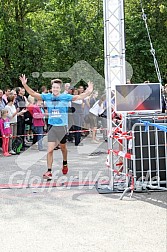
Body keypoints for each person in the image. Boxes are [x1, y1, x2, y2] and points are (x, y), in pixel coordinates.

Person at [19, 74, 93, 179]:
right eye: (54, 87)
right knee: (50, 150)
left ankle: (65, 162)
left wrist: (89, 91)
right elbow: (33, 93)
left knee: (63, 148)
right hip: (52, 126)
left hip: (62, 126)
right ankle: (49, 171)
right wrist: (24, 85)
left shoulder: (65, 96)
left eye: (57, 88)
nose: (55, 89)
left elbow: (79, 97)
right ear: (51, 88)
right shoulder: (47, 96)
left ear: (60, 89)